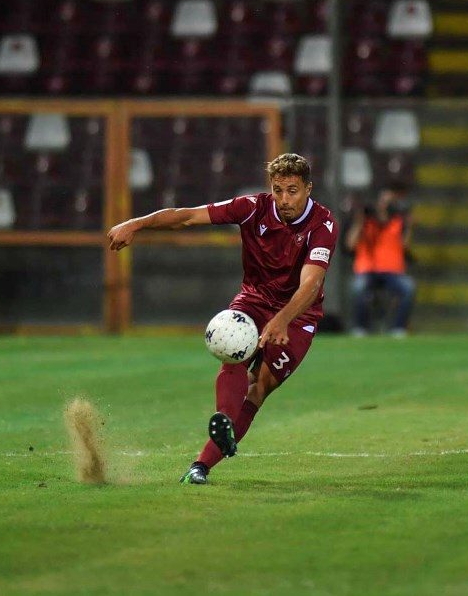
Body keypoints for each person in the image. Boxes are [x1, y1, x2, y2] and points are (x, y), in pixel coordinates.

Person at [107, 153, 338, 485]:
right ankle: (212, 445)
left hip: (298, 314)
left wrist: (283, 319)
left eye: (292, 190)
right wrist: (136, 223)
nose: (284, 199)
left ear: (308, 189)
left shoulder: (322, 223)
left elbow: (311, 283)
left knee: (259, 388)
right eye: (278, 190)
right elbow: (187, 216)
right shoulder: (251, 208)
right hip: (254, 301)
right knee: (232, 348)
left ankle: (205, 460)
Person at [346, 185, 415, 337]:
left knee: (408, 288)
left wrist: (409, 226)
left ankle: (399, 329)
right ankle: (360, 328)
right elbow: (350, 245)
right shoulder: (366, 221)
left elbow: (406, 247)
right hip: (367, 270)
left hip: (392, 271)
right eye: (384, 201)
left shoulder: (398, 221)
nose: (386, 205)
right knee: (358, 287)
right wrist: (359, 222)